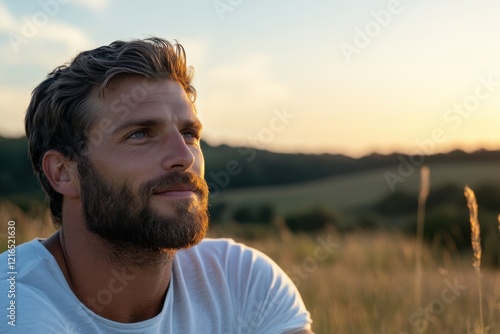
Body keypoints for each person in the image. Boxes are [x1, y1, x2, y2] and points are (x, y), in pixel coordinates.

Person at [0, 37, 313, 333]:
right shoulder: (13, 300)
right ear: (63, 173)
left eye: (189, 133)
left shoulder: (242, 278)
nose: (183, 156)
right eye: (140, 134)